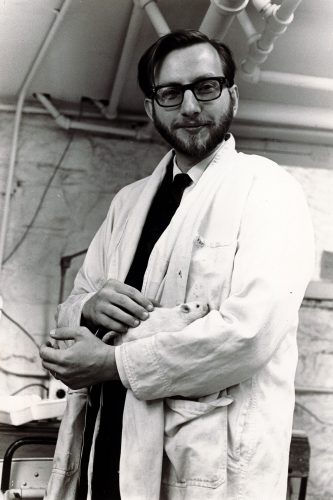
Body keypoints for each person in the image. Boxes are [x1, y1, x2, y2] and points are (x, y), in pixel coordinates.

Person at [40, 29, 314, 500]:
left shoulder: (268, 190)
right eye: (170, 93)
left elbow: (248, 333)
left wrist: (113, 362)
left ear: (232, 94)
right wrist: (87, 307)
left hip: (206, 475)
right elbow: (69, 312)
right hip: (107, 458)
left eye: (205, 87)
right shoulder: (128, 204)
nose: (189, 107)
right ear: (151, 108)